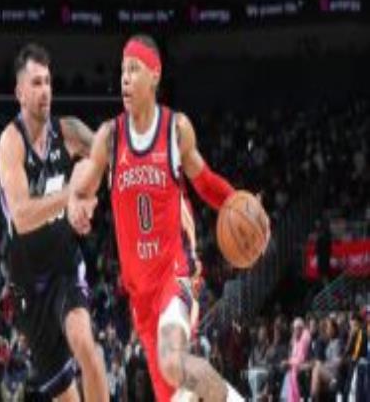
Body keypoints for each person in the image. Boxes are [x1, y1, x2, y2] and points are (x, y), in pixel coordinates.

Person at [68, 34, 270, 401]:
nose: (125, 78)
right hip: (139, 290)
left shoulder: (176, 130)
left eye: (134, 69)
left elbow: (205, 182)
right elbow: (85, 188)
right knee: (174, 390)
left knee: (173, 362)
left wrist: (240, 204)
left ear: (155, 75)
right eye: (122, 70)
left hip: (175, 270)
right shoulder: (110, 137)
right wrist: (77, 205)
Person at [0, 42, 108, 401]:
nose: (44, 90)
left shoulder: (69, 130)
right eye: (36, 83)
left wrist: (88, 199)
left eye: (47, 81)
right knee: (64, 396)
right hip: (28, 285)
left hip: (64, 266)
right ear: (19, 92)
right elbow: (22, 217)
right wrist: (71, 194)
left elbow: (107, 157)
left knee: (84, 344)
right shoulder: (11, 143)